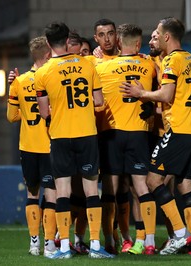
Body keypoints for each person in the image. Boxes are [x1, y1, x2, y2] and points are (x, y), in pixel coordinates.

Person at [120, 17, 191, 255]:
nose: (153, 37)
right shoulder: (190, 58)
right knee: (186, 185)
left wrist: (141, 92)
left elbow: (166, 95)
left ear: (167, 36)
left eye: (157, 33)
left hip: (178, 130)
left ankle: (180, 234)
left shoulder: (172, 61)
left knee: (152, 181)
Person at [35, 21, 114, 259]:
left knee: (63, 193)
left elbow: (44, 112)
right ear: (68, 41)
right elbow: (99, 101)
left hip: (60, 136)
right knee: (91, 191)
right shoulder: (87, 64)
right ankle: (97, 246)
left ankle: (65, 248)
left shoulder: (43, 73)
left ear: (49, 43)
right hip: (87, 134)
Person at [95, 23, 157, 255]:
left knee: (109, 190)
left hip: (111, 133)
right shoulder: (149, 64)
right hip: (139, 133)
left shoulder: (102, 67)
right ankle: (147, 240)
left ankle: (109, 240)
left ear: (119, 42)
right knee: (141, 187)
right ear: (139, 44)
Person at [6, 36, 58, 257]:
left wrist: (18, 99)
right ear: (47, 55)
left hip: (27, 145)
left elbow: (11, 116)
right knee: (52, 194)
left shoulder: (19, 81)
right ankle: (49, 243)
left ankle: (34, 242)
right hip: (50, 145)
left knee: (31, 193)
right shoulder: (50, 78)